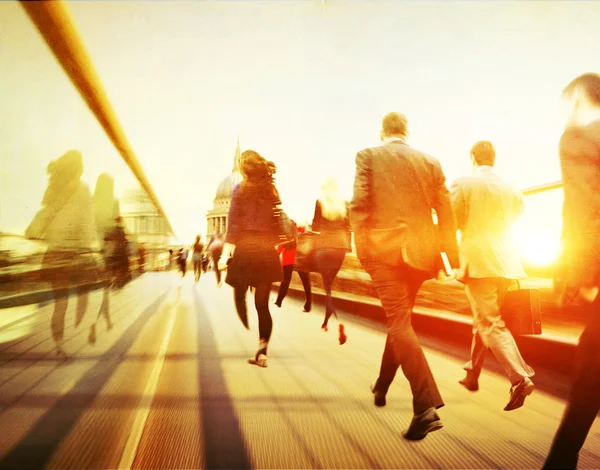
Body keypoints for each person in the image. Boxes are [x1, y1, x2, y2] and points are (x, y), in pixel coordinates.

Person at [349, 112, 459, 440]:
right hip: (421, 254)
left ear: (382, 132)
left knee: (398, 321)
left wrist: (363, 250)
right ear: (406, 132)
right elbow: (446, 212)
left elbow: (359, 204)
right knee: (401, 321)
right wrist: (449, 259)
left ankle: (424, 406)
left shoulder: (368, 155)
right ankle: (381, 386)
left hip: (384, 251)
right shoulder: (431, 161)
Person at [450, 141, 534, 410]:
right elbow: (517, 215)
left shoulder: (463, 183)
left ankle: (520, 379)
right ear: (493, 159)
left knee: (490, 321)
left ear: (472, 157)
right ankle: (472, 375)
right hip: (506, 262)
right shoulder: (512, 188)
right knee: (483, 320)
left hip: (479, 261)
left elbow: (454, 219)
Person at [543, 73, 600, 469]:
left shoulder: (578, 138)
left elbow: (583, 209)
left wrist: (586, 276)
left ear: (578, 100)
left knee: (590, 373)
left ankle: (559, 463)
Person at [25, 150, 98, 358]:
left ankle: (60, 345)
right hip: (76, 255)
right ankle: (84, 332)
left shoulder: (53, 189)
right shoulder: (83, 189)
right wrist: (90, 244)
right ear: (79, 169)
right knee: (83, 297)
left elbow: (41, 221)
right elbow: (88, 223)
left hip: (56, 254)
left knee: (60, 304)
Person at [218, 150, 283, 368]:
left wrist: (225, 255)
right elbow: (277, 222)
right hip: (266, 251)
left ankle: (242, 310)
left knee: (238, 286)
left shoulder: (240, 189)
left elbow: (233, 225)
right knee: (263, 306)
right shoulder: (271, 189)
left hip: (246, 250)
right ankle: (262, 352)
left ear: (244, 169)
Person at [312, 177, 351, 344]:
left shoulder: (320, 202)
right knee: (330, 285)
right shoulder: (344, 203)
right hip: (340, 247)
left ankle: (335, 321)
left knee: (327, 288)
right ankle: (327, 322)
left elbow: (315, 226)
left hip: (324, 247)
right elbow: (348, 225)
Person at [89, 173, 120, 344]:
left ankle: (97, 321)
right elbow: (116, 226)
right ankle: (101, 320)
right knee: (104, 290)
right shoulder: (114, 202)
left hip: (92, 249)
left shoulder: (91, 202)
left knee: (93, 291)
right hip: (107, 251)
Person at [274, 224, 312, 312]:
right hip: (301, 257)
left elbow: (282, 243)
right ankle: (308, 305)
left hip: (289, 258)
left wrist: (276, 255)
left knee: (285, 281)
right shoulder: (302, 225)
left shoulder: (287, 225)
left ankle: (279, 301)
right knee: (306, 282)